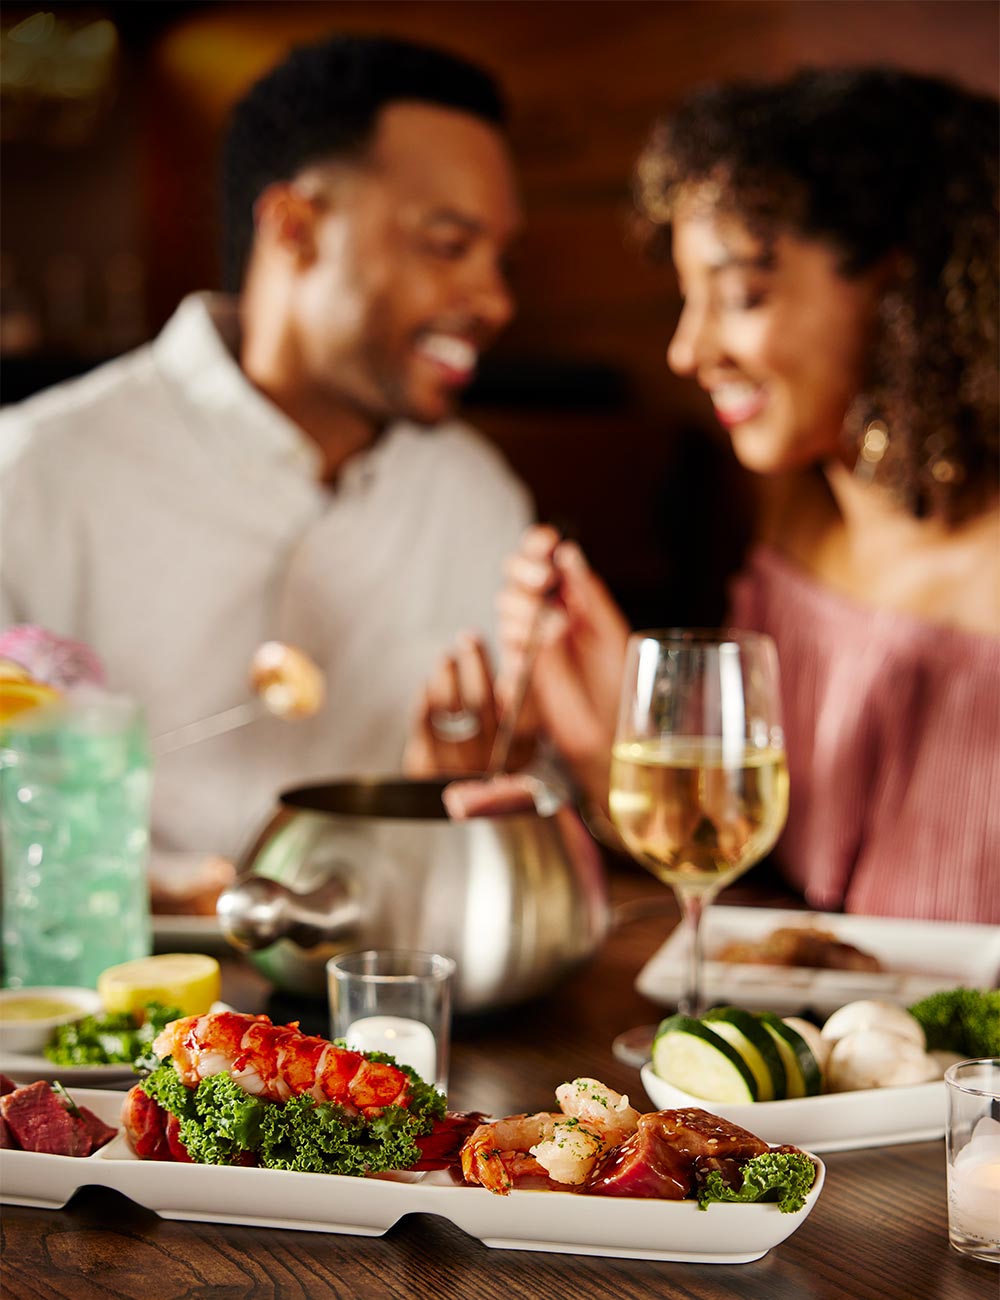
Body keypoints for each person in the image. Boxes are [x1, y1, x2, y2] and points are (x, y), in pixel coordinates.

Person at [410, 67, 1000, 925]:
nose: (687, 352)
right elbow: (769, 907)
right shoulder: (794, 516)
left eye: (740, 296)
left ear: (897, 286)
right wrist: (613, 738)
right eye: (687, 301)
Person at [0, 34, 532, 885]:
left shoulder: (476, 498)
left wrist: (477, 784)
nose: (495, 299)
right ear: (295, 227)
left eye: (499, 257)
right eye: (447, 244)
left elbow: (518, 811)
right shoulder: (34, 472)